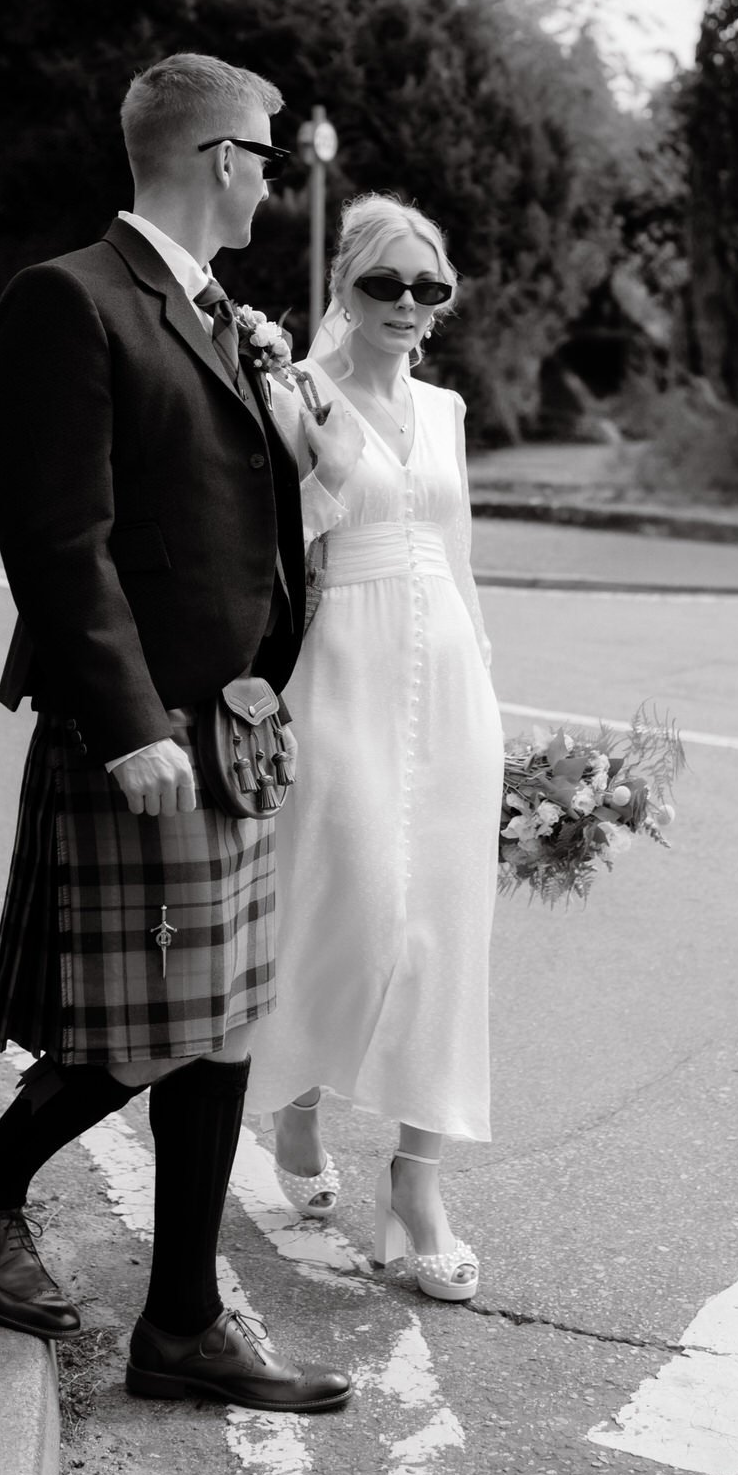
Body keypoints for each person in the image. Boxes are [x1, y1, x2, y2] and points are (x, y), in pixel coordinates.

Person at [0, 53, 351, 1414]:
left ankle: (179, 1323)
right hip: (150, 730)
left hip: (234, 722)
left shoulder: (221, 316)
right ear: (220, 158)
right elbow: (59, 535)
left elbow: (249, 512)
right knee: (143, 1027)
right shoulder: (73, 299)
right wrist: (124, 724)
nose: (275, 180)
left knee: (213, 1026)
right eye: (268, 157)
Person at [245, 195, 505, 1302]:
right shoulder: (299, 392)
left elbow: (459, 553)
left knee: (442, 930)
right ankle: (294, 1104)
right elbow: (279, 541)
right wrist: (306, 446)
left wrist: (492, 691)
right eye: (383, 284)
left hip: (449, 680)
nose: (406, 305)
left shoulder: (445, 411)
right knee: (343, 899)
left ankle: (416, 1182)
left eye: (426, 287)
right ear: (343, 288)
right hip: (340, 667)